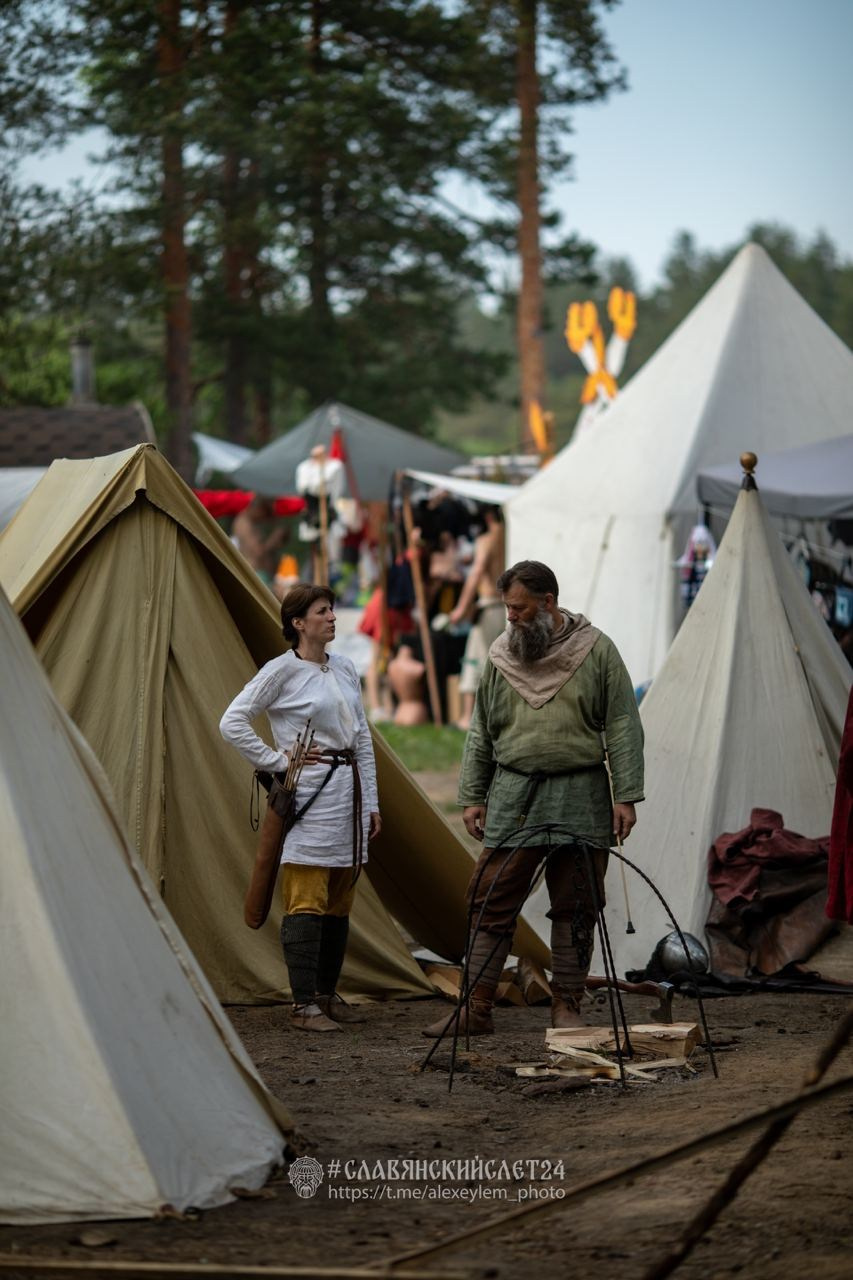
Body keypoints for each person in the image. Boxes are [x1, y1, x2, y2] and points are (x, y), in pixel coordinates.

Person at [423, 560, 644, 1038]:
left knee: (578, 898)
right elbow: (481, 729)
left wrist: (625, 795)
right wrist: (473, 795)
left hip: (580, 791)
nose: (511, 618)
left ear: (548, 603)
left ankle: (566, 1005)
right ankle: (476, 1008)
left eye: (519, 608)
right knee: (490, 895)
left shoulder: (597, 651)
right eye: (507, 609)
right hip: (513, 792)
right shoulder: (503, 656)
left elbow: (624, 723)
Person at [220, 583, 381, 1034]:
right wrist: (277, 760)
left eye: (332, 610)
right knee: (306, 897)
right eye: (323, 611)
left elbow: (362, 740)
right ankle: (303, 1005)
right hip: (309, 795)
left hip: (346, 794)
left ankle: (327, 995)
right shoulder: (280, 671)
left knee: (339, 898)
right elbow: (232, 721)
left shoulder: (345, 667)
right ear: (298, 623)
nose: (332, 618)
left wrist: (371, 801)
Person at [449, 505, 506, 730]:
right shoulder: (511, 535)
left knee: (475, 661)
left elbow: (477, 572)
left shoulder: (487, 538)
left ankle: (467, 718)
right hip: (508, 609)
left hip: (490, 606)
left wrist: (461, 608)